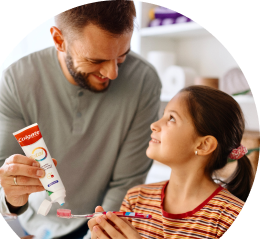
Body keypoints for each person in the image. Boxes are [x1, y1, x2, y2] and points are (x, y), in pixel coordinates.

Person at [0, 1, 161, 238]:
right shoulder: (17, 79)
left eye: (122, 56)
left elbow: (127, 182)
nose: (112, 73)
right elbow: (5, 167)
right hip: (34, 221)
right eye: (96, 60)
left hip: (99, 222)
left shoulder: (144, 81)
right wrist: (12, 199)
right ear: (59, 40)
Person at [88, 85, 254, 239]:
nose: (154, 125)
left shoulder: (230, 217)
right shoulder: (136, 199)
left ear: (203, 145)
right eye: (163, 115)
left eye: (172, 118)